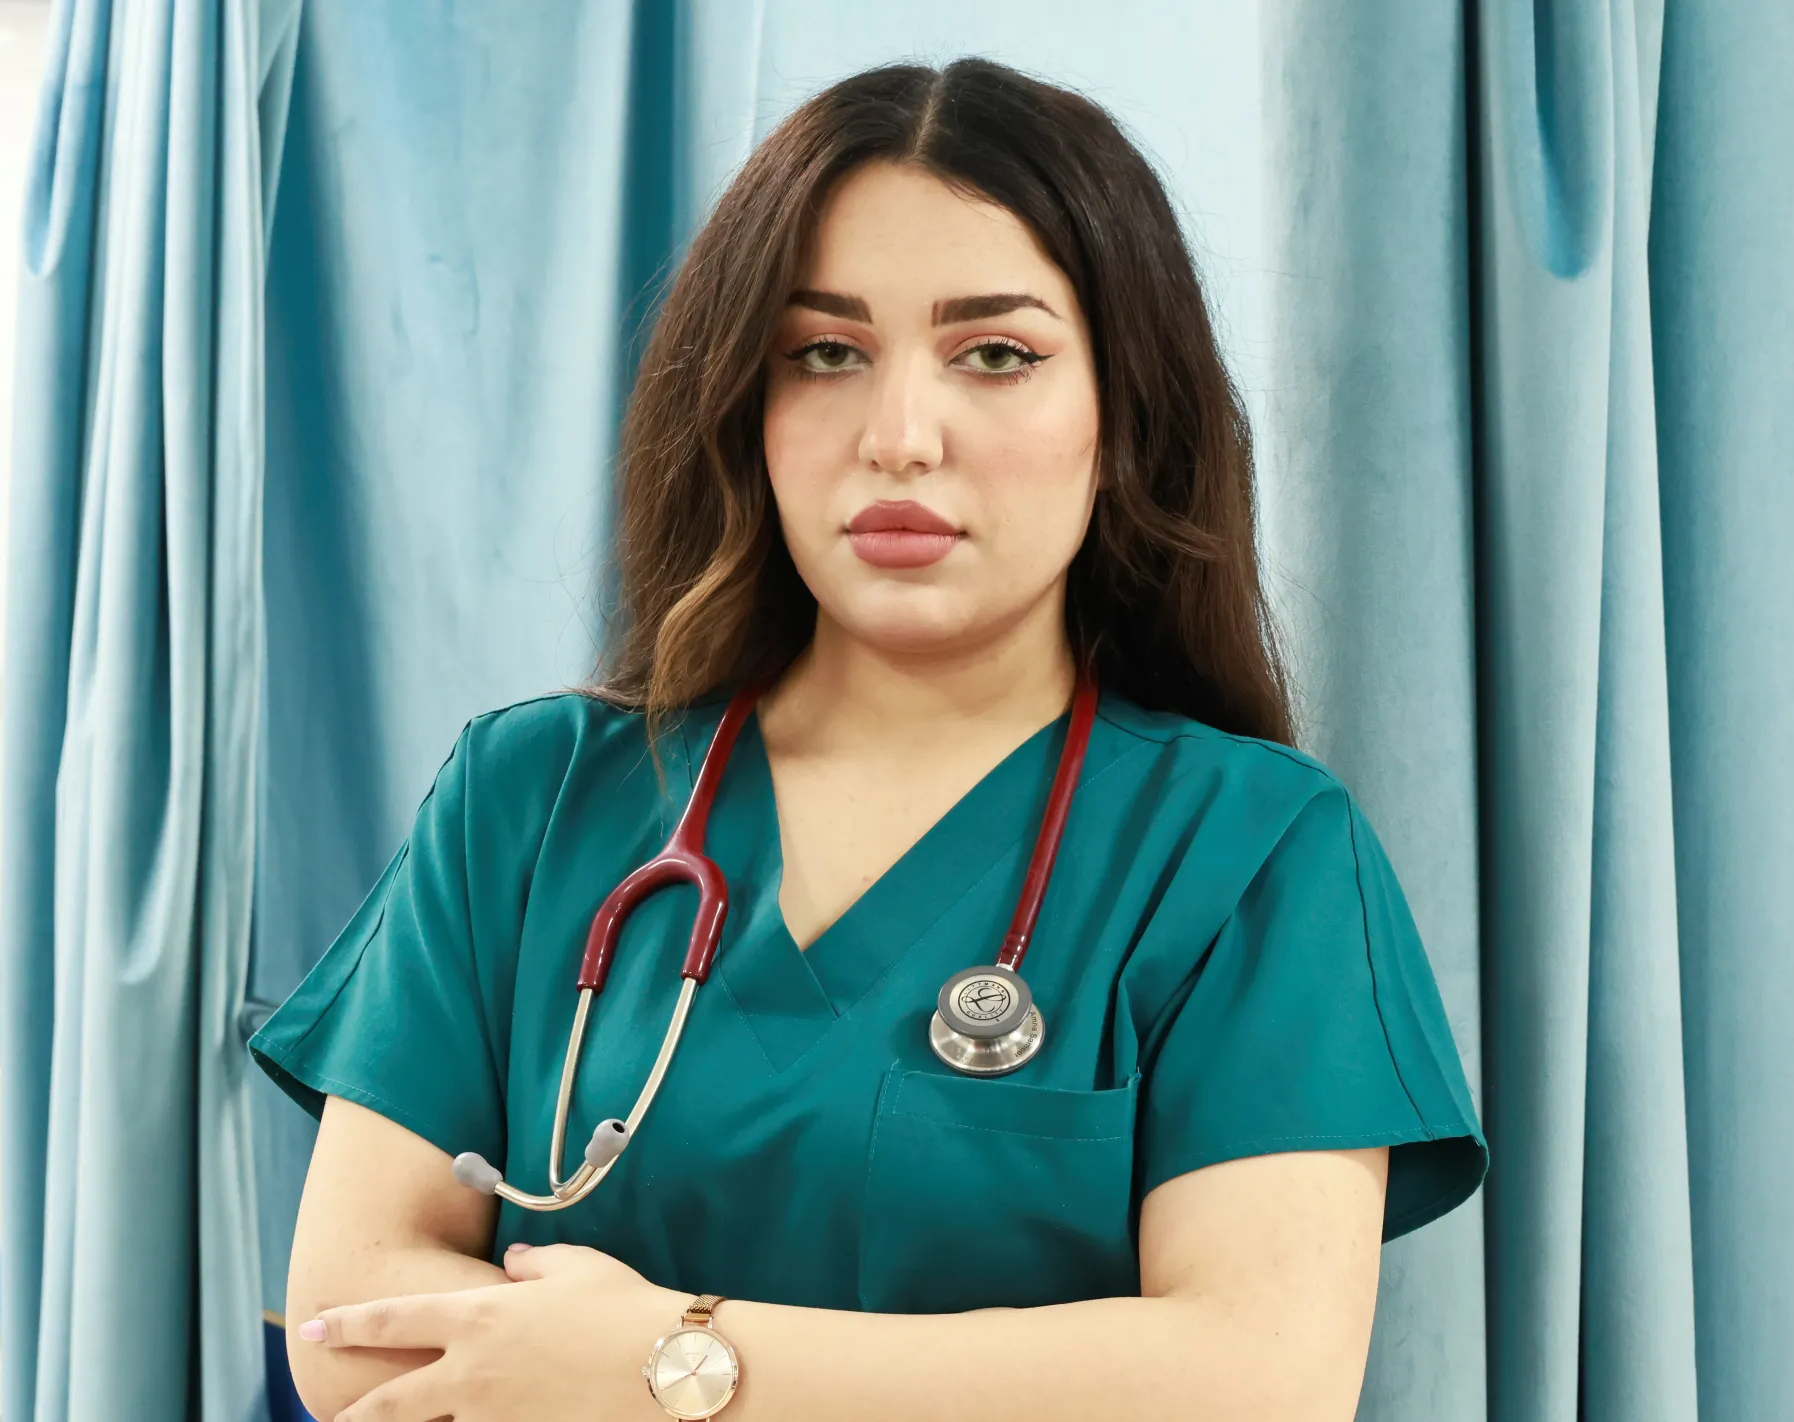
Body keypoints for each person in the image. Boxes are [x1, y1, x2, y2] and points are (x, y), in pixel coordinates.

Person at [250, 56, 1485, 1422]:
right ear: (746, 403)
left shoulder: (1251, 855)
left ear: (1123, 418)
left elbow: (1253, 1378)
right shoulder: (529, 801)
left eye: (997, 354)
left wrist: (667, 1358)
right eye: (824, 352)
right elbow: (351, 1324)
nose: (900, 436)